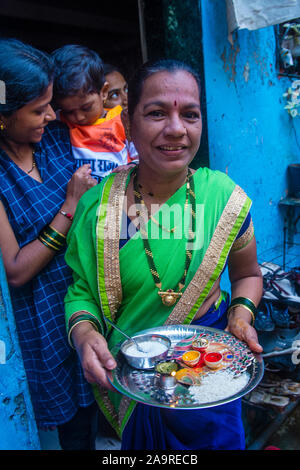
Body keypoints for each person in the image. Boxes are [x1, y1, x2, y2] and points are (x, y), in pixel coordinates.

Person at [64, 59, 263, 450]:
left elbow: (247, 275)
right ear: (128, 124)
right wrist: (85, 334)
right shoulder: (102, 207)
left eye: (189, 114)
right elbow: (82, 292)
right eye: (157, 113)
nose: (176, 129)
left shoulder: (223, 198)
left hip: (207, 377)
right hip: (134, 381)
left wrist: (241, 316)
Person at [0, 38, 99, 450]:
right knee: (62, 429)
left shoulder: (57, 139)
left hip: (82, 300)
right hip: (40, 319)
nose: (52, 115)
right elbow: (17, 269)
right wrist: (70, 206)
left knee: (93, 410)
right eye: (39, 109)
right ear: (3, 116)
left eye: (50, 104)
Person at [51, 45, 138, 183]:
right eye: (69, 111)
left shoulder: (122, 120)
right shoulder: (59, 120)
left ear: (103, 92)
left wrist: (131, 167)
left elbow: (140, 156)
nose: (78, 117)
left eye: (86, 108)